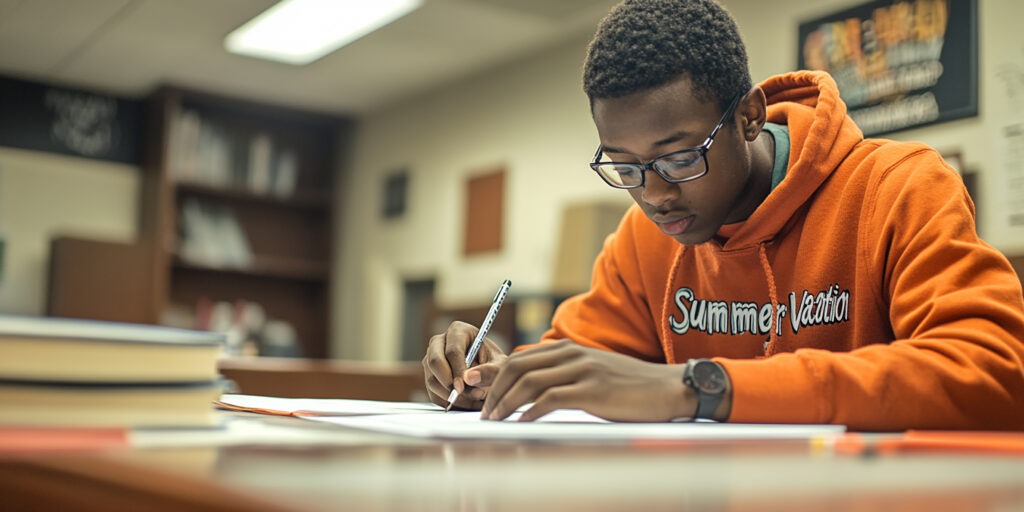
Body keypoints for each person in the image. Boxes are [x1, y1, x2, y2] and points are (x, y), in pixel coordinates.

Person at [422, 0, 1024, 431]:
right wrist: (492, 373)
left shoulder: (897, 187)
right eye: (624, 167)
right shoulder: (645, 238)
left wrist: (698, 387)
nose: (654, 194)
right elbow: (574, 367)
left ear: (749, 117)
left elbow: (994, 371)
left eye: (680, 157)